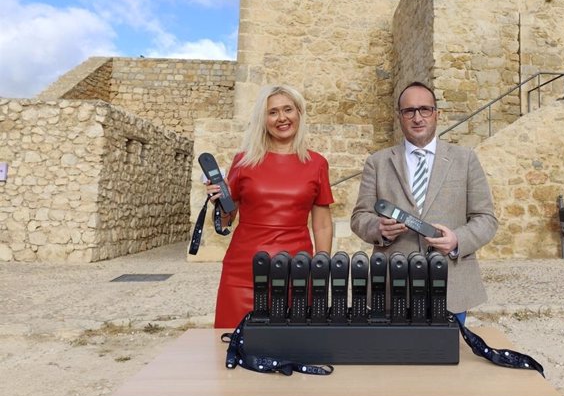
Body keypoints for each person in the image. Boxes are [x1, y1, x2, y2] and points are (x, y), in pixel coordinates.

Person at [350, 81, 498, 324]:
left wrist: (457, 240)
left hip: (452, 285)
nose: (417, 118)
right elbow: (359, 217)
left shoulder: (465, 159)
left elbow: (486, 219)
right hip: (393, 287)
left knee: (448, 358)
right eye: (409, 111)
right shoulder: (377, 163)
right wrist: (378, 228)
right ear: (400, 117)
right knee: (398, 359)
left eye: (424, 110)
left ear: (437, 114)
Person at [206, 84, 334, 328]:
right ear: (263, 119)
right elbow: (225, 221)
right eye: (273, 112)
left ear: (299, 113)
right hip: (243, 272)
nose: (282, 118)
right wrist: (218, 202)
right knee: (233, 346)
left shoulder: (317, 163)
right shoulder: (243, 161)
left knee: (294, 349)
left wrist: (321, 266)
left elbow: (323, 224)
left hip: (297, 271)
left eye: (288, 109)